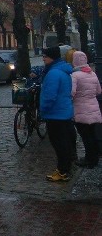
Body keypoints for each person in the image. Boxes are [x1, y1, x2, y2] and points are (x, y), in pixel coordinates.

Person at [40, 46, 76, 182]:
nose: (43, 58)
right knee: (65, 142)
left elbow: (49, 96)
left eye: (45, 56)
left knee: (59, 144)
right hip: (64, 111)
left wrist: (43, 109)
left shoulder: (53, 73)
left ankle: (62, 171)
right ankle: (65, 168)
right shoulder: (63, 70)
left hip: (55, 114)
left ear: (52, 58)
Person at [70, 51, 100, 169]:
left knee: (85, 137)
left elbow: (71, 93)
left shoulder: (75, 76)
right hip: (94, 108)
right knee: (92, 135)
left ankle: (89, 160)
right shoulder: (92, 74)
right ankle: (94, 158)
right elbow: (98, 91)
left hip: (81, 110)